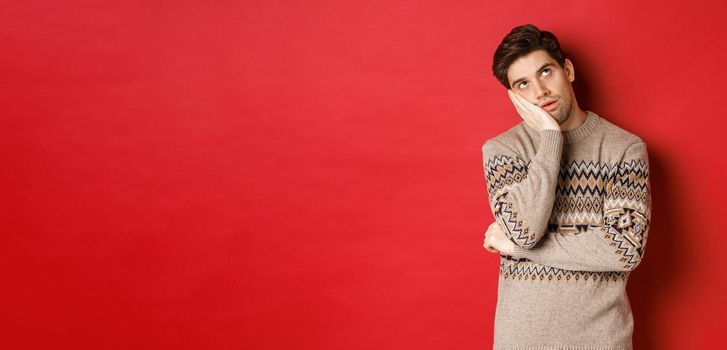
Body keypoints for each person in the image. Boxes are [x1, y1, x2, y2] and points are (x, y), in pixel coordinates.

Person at [481, 24, 652, 349]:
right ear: (514, 96)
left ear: (567, 70)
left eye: (546, 72)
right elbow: (524, 231)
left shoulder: (624, 149)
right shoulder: (503, 151)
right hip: (521, 341)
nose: (540, 90)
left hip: (601, 340)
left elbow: (624, 249)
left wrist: (519, 251)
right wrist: (549, 136)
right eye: (523, 84)